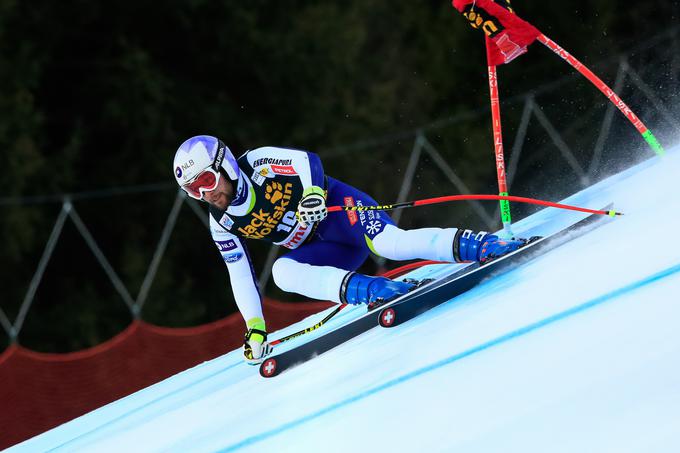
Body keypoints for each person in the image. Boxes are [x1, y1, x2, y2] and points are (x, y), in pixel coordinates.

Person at [173, 135, 527, 364]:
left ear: (226, 166)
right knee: (281, 273)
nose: (205, 195)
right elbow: (239, 273)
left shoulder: (258, 163)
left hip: (342, 213)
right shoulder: (221, 223)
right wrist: (255, 327)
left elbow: (307, 161)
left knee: (392, 243)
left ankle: (481, 245)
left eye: (206, 181)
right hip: (327, 252)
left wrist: (312, 193)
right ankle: (374, 290)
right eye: (193, 190)